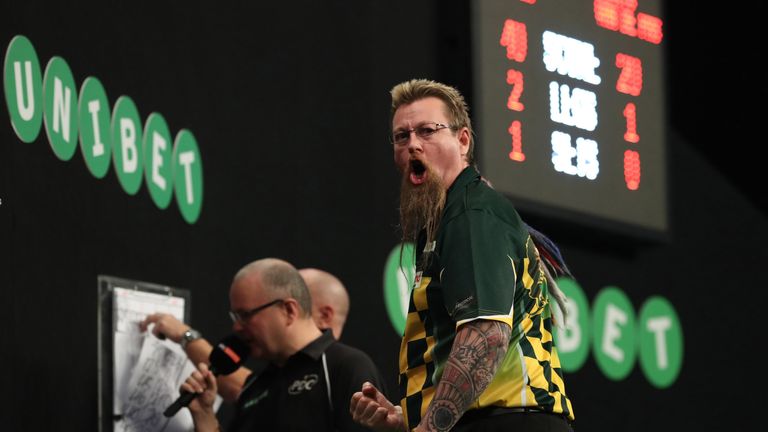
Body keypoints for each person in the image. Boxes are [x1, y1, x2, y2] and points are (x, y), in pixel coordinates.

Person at [350, 79, 574, 431]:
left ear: (463, 140)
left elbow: (487, 334)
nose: (413, 145)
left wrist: (427, 429)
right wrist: (405, 417)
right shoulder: (447, 219)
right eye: (401, 136)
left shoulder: (471, 214)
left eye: (427, 131)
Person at [181, 258, 387, 432]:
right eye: (235, 316)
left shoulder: (344, 367)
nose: (236, 327)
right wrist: (204, 416)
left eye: (245, 315)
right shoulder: (254, 385)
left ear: (289, 310)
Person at [140, 267, 352, 402]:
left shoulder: (344, 371)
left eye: (302, 299)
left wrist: (187, 337)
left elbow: (237, 387)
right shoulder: (269, 375)